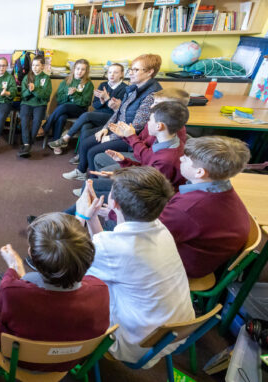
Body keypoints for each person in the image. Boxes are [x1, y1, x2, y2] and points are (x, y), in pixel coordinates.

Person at [76, 167, 194, 367]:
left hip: (136, 344)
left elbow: (68, 265)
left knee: (74, 293)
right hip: (177, 334)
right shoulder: (161, 228)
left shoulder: (112, 247)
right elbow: (105, 248)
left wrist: (82, 217)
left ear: (114, 203)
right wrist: (94, 217)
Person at [0, 212, 109, 372]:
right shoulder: (100, 291)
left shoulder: (11, 292)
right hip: (69, 361)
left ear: (32, 257)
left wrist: (13, 270)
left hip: (18, 360)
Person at [159, 136, 251, 278]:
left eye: (185, 158)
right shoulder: (220, 187)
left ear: (200, 172)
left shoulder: (188, 209)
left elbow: (149, 235)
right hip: (203, 256)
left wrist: (115, 213)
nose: (181, 159)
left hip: (182, 267)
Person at [63, 54, 163, 181]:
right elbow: (118, 112)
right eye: (131, 69)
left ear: (150, 72)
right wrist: (105, 129)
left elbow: (137, 127)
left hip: (131, 137)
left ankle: (94, 184)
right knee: (85, 141)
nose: (131, 73)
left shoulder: (151, 94)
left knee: (93, 152)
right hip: (118, 129)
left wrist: (110, 137)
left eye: (136, 70)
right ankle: (81, 172)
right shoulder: (133, 88)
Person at [78, 101, 188, 197]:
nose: (147, 123)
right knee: (92, 184)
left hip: (143, 196)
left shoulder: (166, 159)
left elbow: (147, 187)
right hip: (142, 183)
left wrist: (122, 175)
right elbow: (147, 168)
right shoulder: (162, 143)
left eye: (149, 120)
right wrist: (124, 161)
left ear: (159, 126)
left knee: (91, 187)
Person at [92, 88, 190, 172]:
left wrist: (131, 137)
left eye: (157, 104)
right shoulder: (155, 122)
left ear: (171, 109)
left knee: (102, 166)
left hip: (144, 162)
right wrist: (125, 136)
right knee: (98, 158)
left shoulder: (167, 131)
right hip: (141, 155)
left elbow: (147, 158)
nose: (151, 106)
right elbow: (142, 144)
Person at [49, 63, 127, 156]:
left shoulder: (124, 88)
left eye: (115, 72)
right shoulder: (103, 84)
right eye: (110, 72)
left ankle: (66, 138)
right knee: (85, 126)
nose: (112, 75)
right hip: (97, 114)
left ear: (122, 74)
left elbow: (118, 110)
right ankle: (80, 154)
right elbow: (95, 105)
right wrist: (101, 102)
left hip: (111, 117)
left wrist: (106, 98)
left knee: (86, 115)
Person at [44, 58, 94, 147]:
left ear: (86, 71)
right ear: (74, 69)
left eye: (83, 69)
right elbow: (59, 99)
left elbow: (85, 102)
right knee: (61, 117)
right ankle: (57, 143)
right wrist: (68, 94)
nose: (80, 71)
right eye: (78, 68)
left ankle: (47, 126)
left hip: (79, 110)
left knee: (65, 106)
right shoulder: (66, 81)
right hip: (62, 110)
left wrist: (74, 95)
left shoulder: (88, 84)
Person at [18, 56, 52, 158]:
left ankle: (28, 144)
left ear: (42, 66)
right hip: (27, 103)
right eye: (33, 65)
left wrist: (35, 90)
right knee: (24, 120)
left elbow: (46, 96)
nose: (35, 67)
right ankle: (27, 144)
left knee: (37, 121)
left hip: (40, 105)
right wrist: (29, 91)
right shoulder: (27, 77)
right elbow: (23, 95)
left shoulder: (46, 78)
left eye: (37, 65)